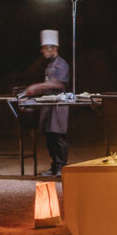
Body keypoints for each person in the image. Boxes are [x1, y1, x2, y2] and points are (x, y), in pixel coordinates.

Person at [23, 29, 71, 177]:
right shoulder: (49, 65)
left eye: (45, 48)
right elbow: (48, 83)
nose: (43, 51)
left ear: (54, 48)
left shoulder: (61, 64)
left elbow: (58, 85)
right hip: (48, 105)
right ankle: (54, 166)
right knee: (49, 137)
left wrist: (38, 87)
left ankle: (62, 167)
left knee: (59, 137)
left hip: (59, 106)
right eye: (43, 48)